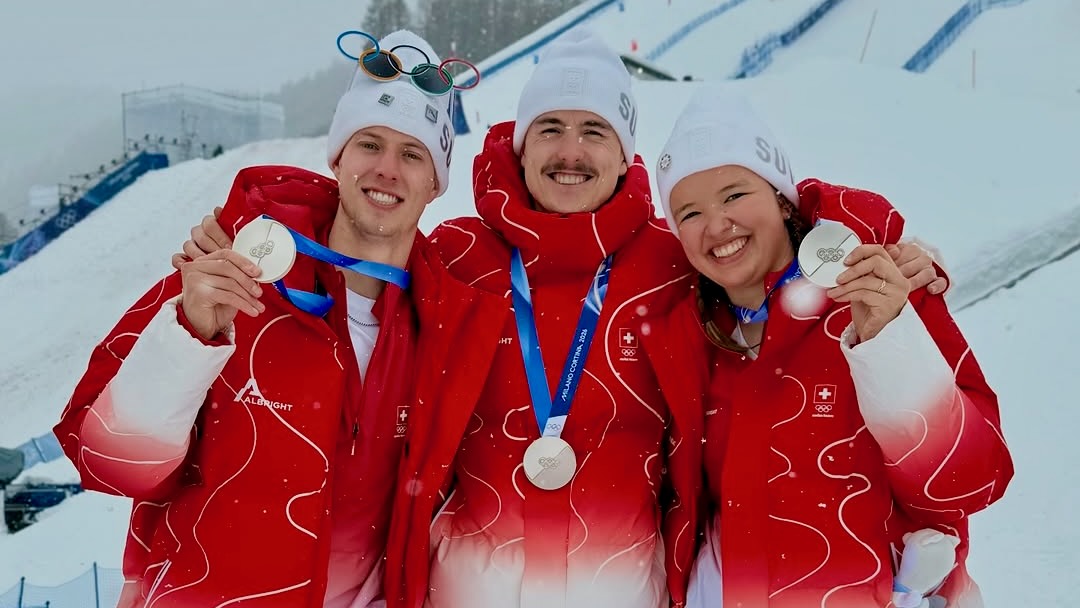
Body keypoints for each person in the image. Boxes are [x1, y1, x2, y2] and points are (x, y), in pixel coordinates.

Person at [177, 31, 944, 608]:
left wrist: (873, 240)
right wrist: (250, 229)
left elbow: (763, 250)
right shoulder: (456, 256)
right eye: (550, 128)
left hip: (624, 585)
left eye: (594, 132)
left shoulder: (671, 261)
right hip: (465, 588)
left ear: (623, 155)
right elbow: (356, 256)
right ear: (517, 142)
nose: (570, 152)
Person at [53, 29, 455, 608]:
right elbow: (110, 463)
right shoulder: (229, 271)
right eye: (369, 143)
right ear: (338, 157)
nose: (388, 169)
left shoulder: (443, 321)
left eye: (413, 153)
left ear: (435, 182)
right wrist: (189, 338)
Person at [651, 85, 1013, 607]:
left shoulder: (879, 287)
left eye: (734, 194)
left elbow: (968, 482)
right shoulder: (688, 337)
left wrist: (888, 341)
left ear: (780, 197)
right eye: (689, 212)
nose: (717, 224)